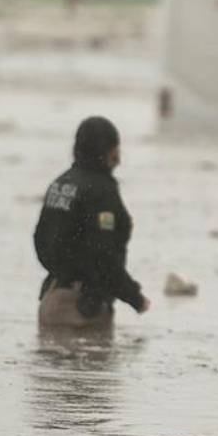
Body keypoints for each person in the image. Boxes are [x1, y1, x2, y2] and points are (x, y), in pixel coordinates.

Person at [34, 116, 150, 327]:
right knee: (91, 349)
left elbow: (40, 240)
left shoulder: (61, 183)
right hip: (81, 310)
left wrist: (62, 273)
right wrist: (134, 297)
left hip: (50, 300)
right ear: (109, 151)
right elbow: (104, 255)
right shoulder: (101, 191)